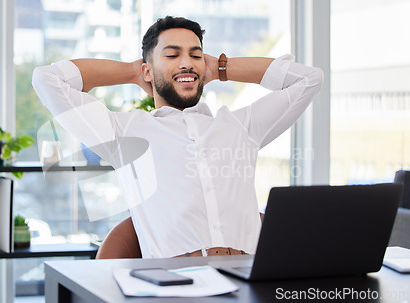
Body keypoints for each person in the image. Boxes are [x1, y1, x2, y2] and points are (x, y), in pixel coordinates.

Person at [32, 16, 324, 258]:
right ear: (148, 69)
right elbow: (48, 80)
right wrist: (134, 72)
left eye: (196, 55)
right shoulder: (124, 133)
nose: (187, 63)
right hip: (177, 286)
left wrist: (220, 67)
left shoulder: (240, 125)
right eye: (172, 55)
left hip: (247, 281)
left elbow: (309, 79)